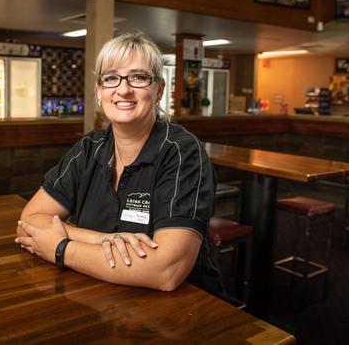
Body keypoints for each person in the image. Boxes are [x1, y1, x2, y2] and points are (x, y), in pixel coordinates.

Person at [16, 32, 226, 299]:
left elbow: (166, 271)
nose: (123, 89)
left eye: (138, 77)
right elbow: (29, 222)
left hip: (182, 312)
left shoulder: (182, 152)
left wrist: (60, 248)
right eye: (111, 78)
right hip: (98, 298)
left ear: (158, 89)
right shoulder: (88, 149)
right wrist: (103, 240)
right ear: (99, 90)